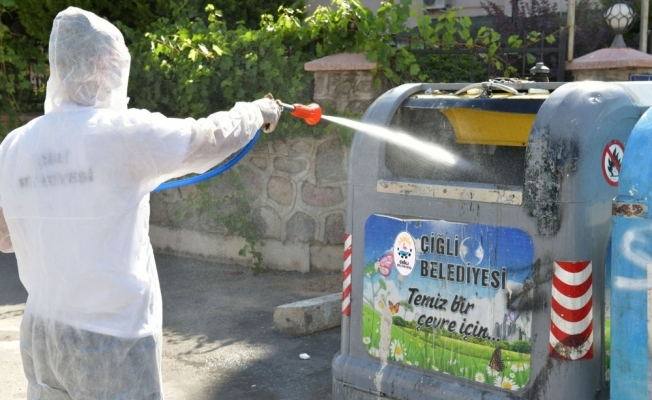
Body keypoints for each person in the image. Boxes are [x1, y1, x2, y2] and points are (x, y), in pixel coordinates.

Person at [0, 6, 281, 399]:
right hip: (113, 336)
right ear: (101, 64)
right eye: (116, 66)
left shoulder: (14, 144)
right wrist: (255, 112)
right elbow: (209, 138)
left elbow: (5, 237)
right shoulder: (120, 133)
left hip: (43, 332)